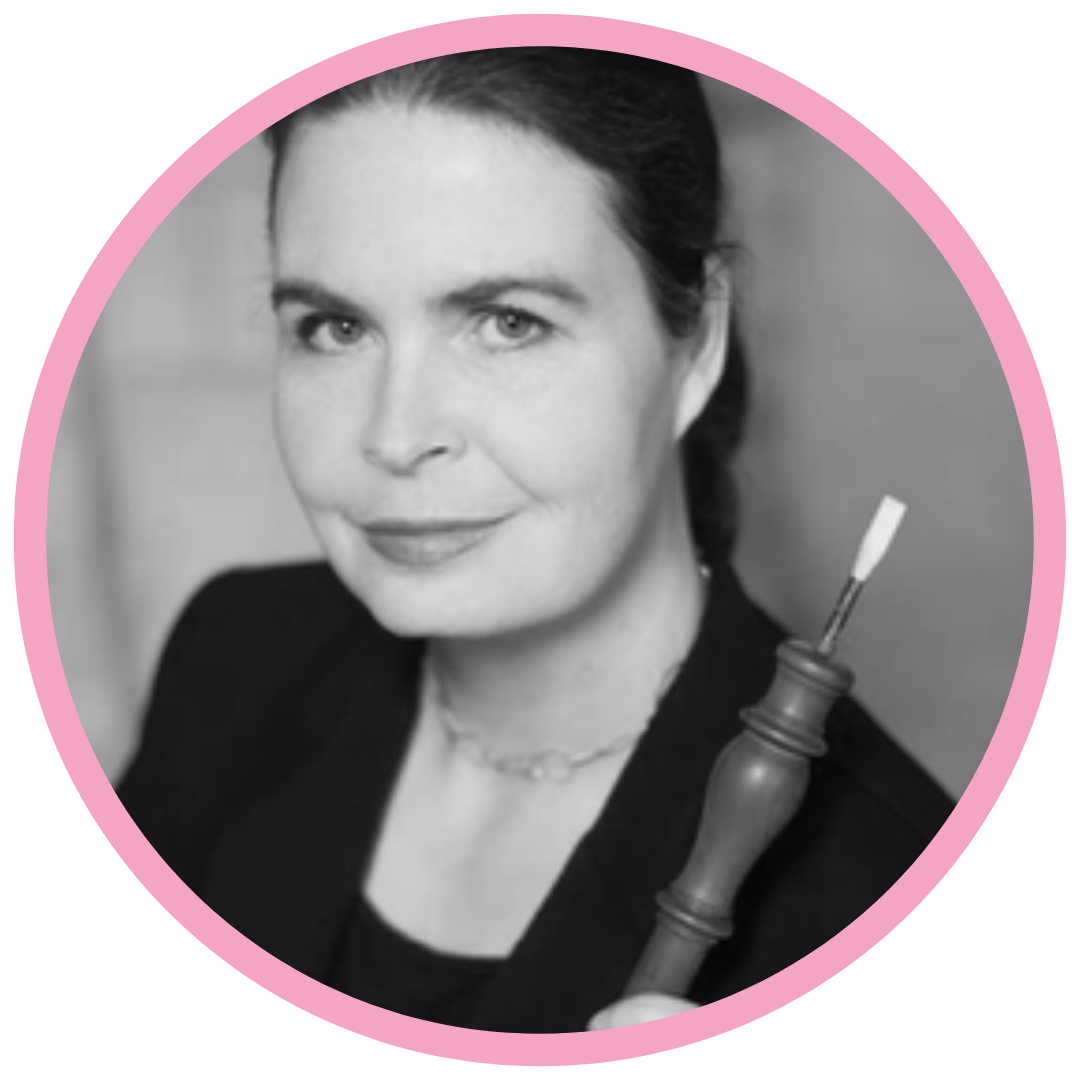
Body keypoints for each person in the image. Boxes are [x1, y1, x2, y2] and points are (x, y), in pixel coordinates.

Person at [117, 48, 953, 1033]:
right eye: (335, 327)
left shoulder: (895, 902)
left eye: (508, 323)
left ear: (699, 337)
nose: (395, 436)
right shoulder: (233, 653)